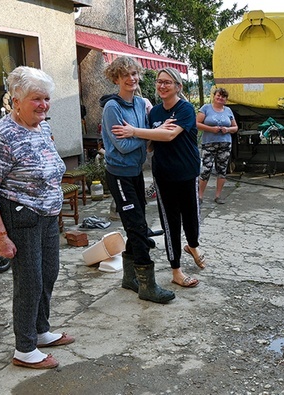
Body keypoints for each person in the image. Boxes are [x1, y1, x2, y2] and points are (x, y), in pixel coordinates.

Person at [0, 66, 73, 370]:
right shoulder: (3, 134)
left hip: (46, 215)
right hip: (20, 215)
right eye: (36, 99)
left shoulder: (41, 126)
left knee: (48, 273)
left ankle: (41, 331)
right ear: (16, 100)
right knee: (29, 281)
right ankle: (25, 348)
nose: (43, 105)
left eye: (46, 98)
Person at [112, 67, 206, 289]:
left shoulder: (185, 109)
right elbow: (153, 143)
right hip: (164, 175)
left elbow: (170, 134)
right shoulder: (153, 113)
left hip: (187, 172)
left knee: (191, 217)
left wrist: (134, 131)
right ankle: (176, 270)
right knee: (170, 223)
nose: (162, 86)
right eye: (159, 82)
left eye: (167, 82)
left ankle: (193, 245)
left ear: (178, 87)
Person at [100, 56, 175, 304]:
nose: (131, 79)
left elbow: (150, 136)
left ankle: (129, 277)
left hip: (135, 172)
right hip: (119, 173)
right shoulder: (113, 108)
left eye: (134, 74)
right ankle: (147, 284)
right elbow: (121, 146)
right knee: (137, 226)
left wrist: (144, 132)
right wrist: (147, 136)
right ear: (116, 78)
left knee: (137, 223)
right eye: (125, 75)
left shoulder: (141, 104)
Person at [197, 87, 238, 204]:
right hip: (208, 143)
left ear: (226, 99)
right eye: (218, 95)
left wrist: (228, 129)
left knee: (222, 170)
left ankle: (218, 196)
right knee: (206, 169)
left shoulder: (228, 110)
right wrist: (211, 129)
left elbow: (235, 128)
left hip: (225, 143)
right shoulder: (206, 108)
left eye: (223, 97)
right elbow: (196, 123)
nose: (220, 98)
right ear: (214, 96)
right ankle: (199, 196)